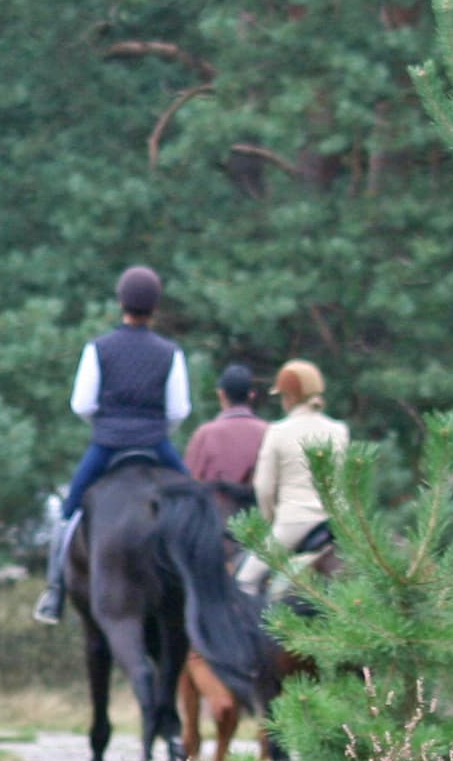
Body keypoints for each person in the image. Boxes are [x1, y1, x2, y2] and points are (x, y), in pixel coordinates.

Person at [35, 266, 190, 623]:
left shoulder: (98, 348)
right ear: (155, 306)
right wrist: (153, 427)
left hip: (106, 445)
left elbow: (82, 405)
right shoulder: (170, 352)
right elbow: (179, 410)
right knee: (198, 503)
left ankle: (54, 594)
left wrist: (108, 425)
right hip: (156, 444)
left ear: (121, 302)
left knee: (69, 512)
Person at [252, 359, 352, 581]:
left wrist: (271, 521)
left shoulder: (277, 431)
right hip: (338, 524)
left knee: (245, 581)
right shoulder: (339, 430)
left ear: (289, 398)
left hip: (294, 523)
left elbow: (264, 488)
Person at [184, 363, 270, 494]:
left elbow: (190, 483)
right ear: (251, 395)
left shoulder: (205, 434)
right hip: (258, 512)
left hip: (214, 512)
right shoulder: (269, 432)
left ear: (221, 394)